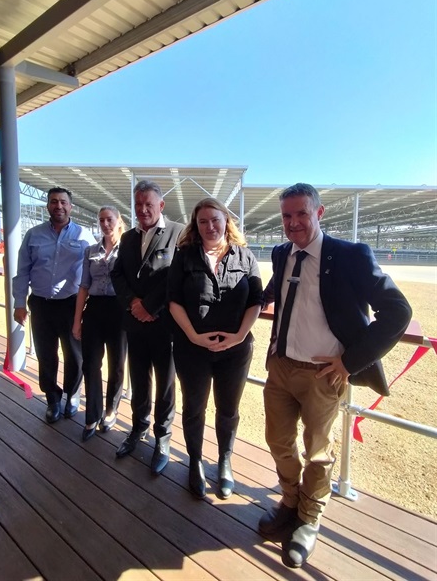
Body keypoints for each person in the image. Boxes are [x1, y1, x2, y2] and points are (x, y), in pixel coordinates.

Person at [258, 183, 412, 569]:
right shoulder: (281, 253)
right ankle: (291, 501)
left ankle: (308, 519)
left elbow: (398, 311)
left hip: (324, 374)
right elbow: (274, 291)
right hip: (281, 366)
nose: (293, 223)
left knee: (319, 453)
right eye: (286, 216)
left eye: (301, 214)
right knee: (277, 441)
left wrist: (349, 362)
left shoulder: (350, 255)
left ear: (319, 213)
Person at [168, 198, 263, 499]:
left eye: (215, 220)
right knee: (194, 407)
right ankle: (195, 462)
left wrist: (238, 336)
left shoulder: (246, 257)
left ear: (226, 221)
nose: (210, 226)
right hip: (191, 348)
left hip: (235, 351)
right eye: (203, 221)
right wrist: (194, 336)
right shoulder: (184, 256)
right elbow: (173, 301)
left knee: (228, 409)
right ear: (195, 226)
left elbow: (256, 301)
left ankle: (225, 461)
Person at [111, 180, 183, 475]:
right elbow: (117, 274)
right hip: (135, 322)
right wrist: (133, 303)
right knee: (138, 380)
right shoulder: (127, 237)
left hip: (164, 324)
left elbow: (177, 278)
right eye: (138, 204)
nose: (142, 210)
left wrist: (150, 306)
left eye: (148, 205)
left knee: (165, 385)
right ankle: (138, 427)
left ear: (161, 205)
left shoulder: (179, 233)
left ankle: (163, 437)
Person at [13, 187, 95, 423]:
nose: (58, 206)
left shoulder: (84, 235)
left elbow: (97, 266)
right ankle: (52, 398)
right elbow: (22, 271)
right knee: (46, 354)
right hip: (40, 305)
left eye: (63, 202)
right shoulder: (33, 235)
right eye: (53, 202)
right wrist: (19, 303)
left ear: (71, 206)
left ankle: (70, 394)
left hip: (71, 306)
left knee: (75, 356)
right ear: (48, 206)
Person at [72, 206, 127, 442]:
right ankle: (91, 416)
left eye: (109, 219)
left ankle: (110, 409)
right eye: (101, 219)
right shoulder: (90, 251)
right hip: (94, 310)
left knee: (117, 364)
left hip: (119, 310)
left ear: (118, 221)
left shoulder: (128, 250)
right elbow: (83, 286)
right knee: (91, 364)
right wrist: (77, 321)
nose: (105, 223)